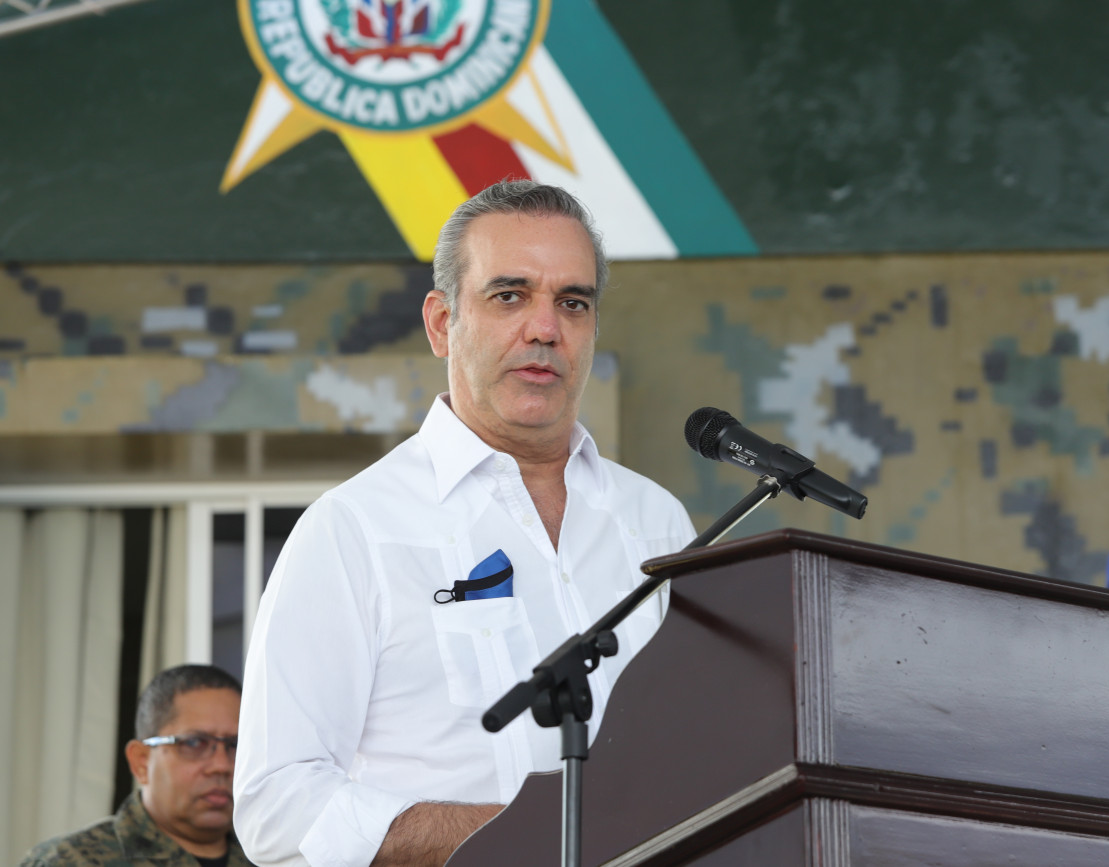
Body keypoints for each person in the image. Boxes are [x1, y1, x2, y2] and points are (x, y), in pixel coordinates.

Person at [233, 180, 695, 867]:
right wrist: (529, 834)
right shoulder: (355, 529)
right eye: (509, 296)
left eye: (573, 302)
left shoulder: (655, 521)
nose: (545, 329)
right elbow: (277, 803)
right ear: (441, 322)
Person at [20, 665, 249, 867]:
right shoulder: (68, 861)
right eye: (194, 743)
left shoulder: (264, 856)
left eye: (236, 745)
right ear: (141, 761)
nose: (222, 765)